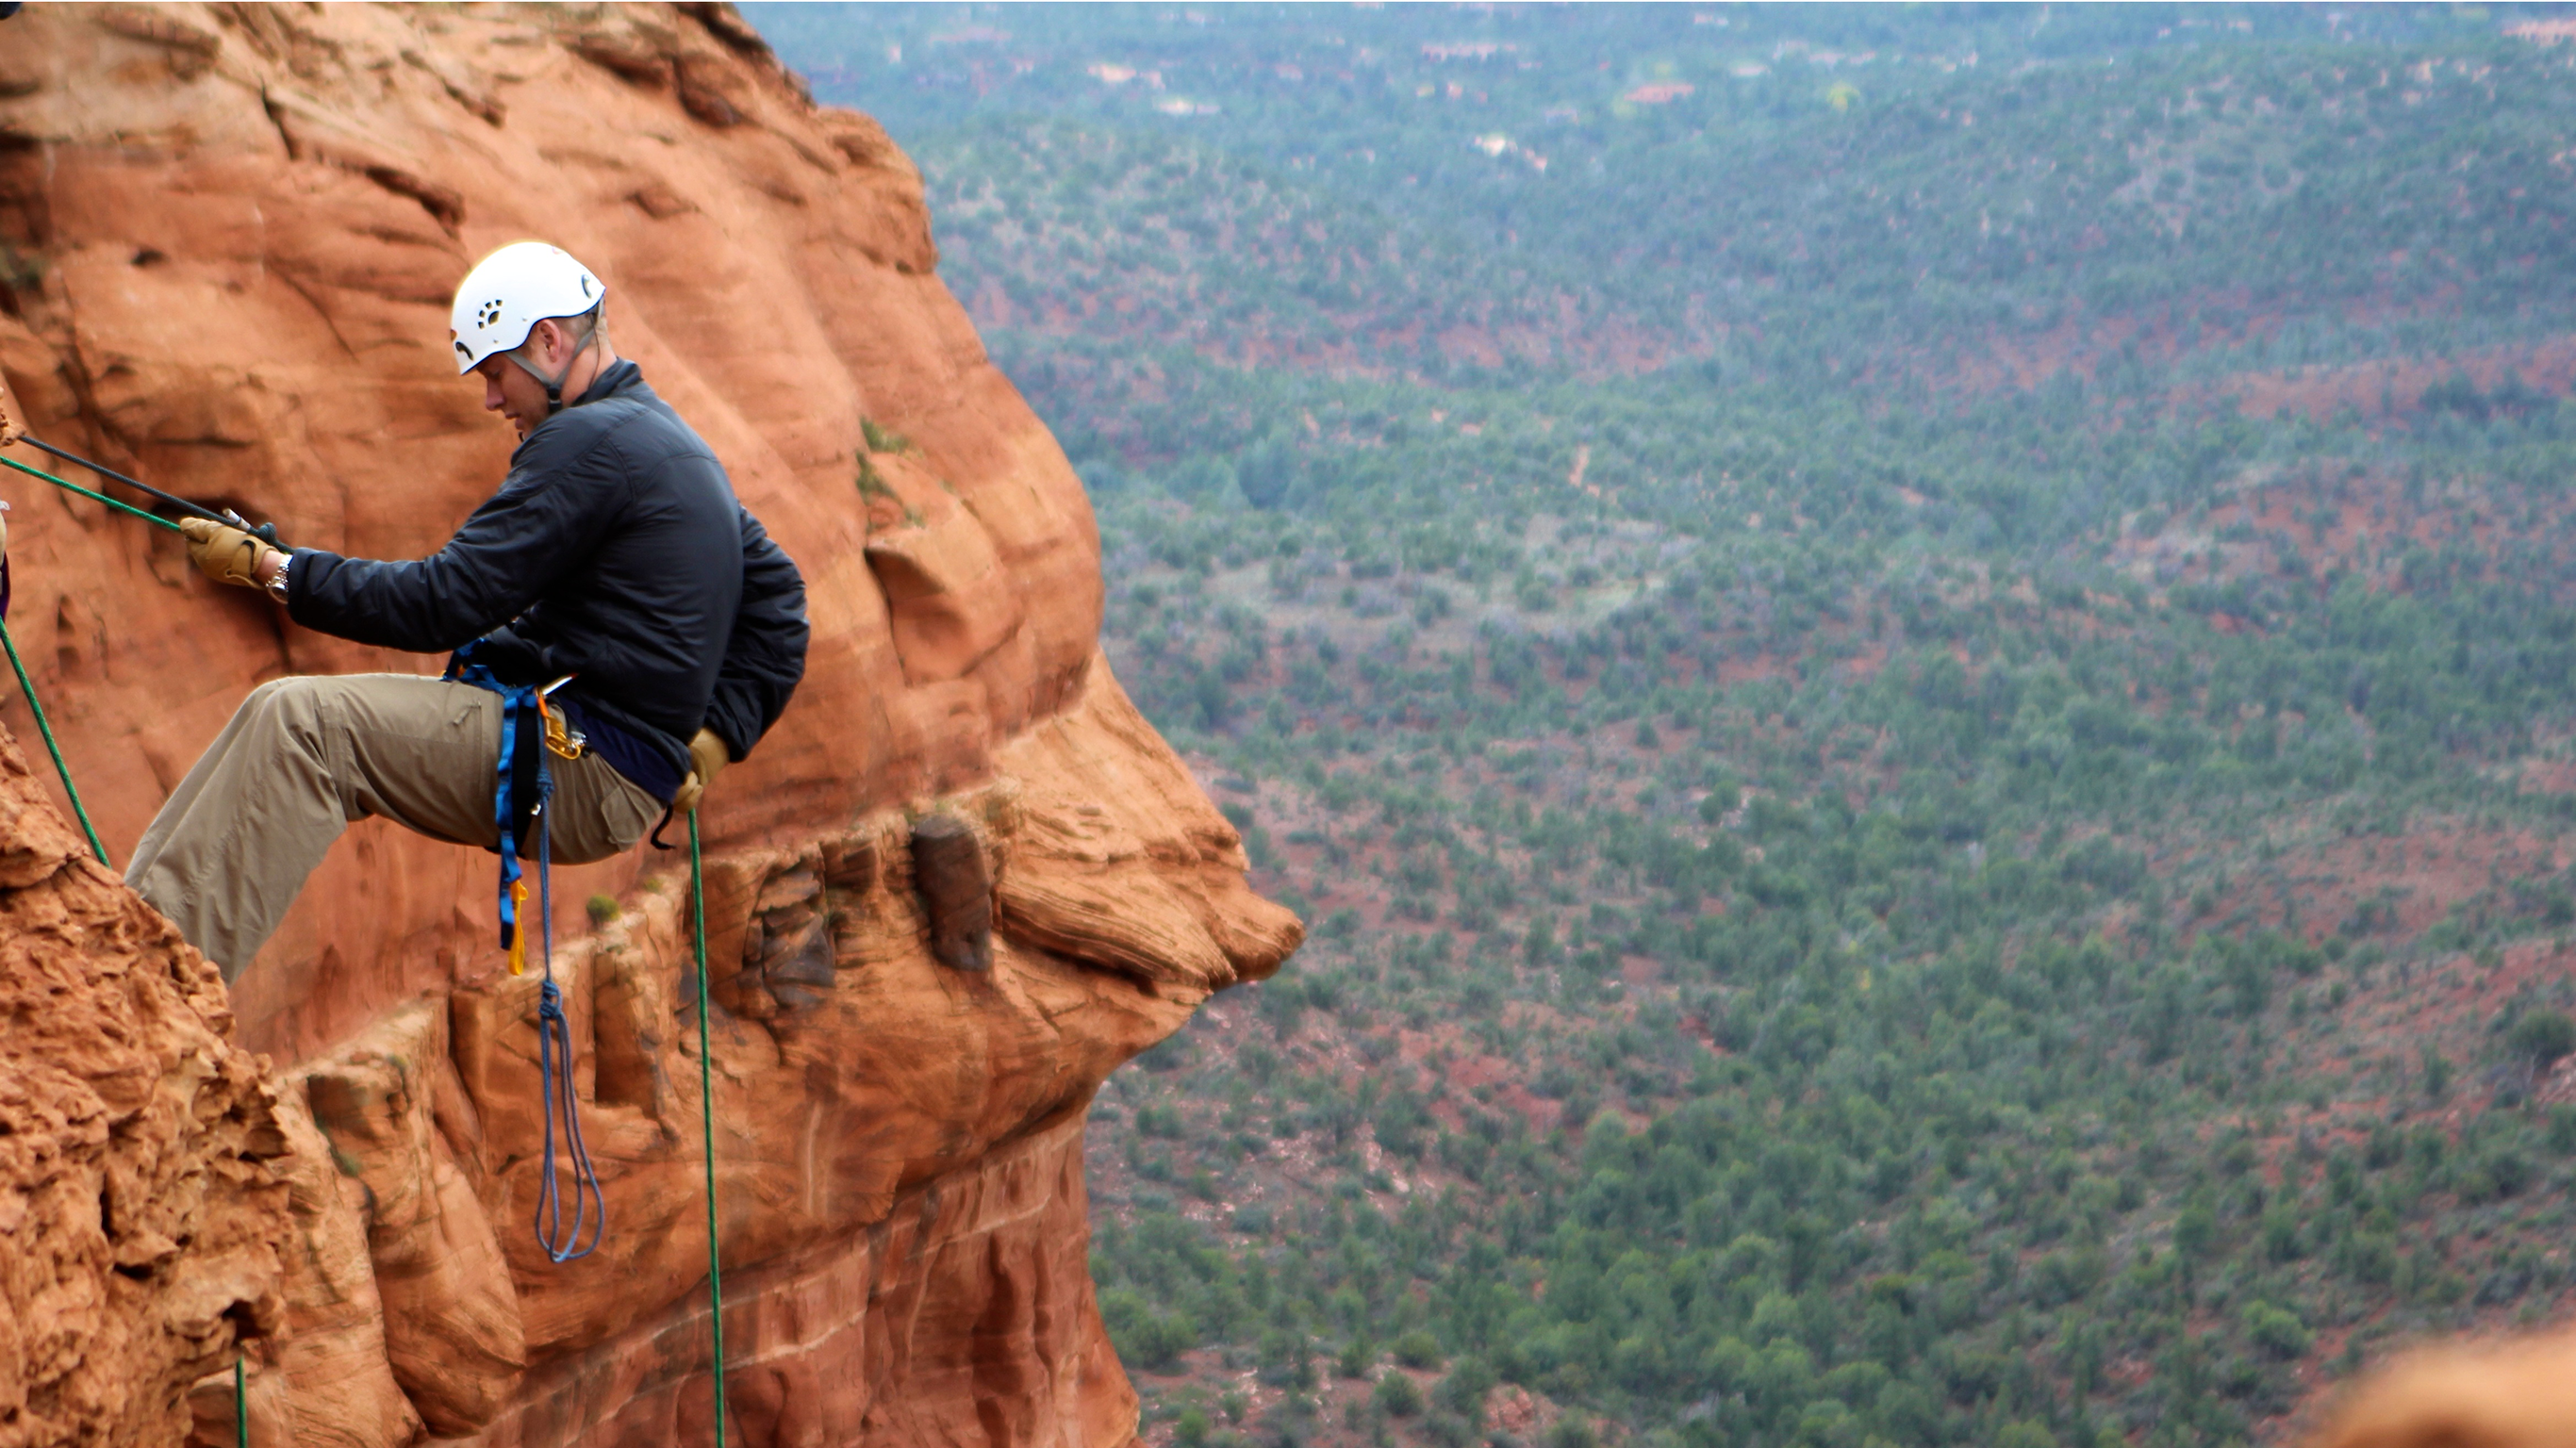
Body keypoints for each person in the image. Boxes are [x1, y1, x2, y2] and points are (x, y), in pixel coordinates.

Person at [128, 241, 808, 979]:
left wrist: (275, 569)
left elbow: (438, 604)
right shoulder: (672, 443)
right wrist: (712, 738)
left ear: (548, 340)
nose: (490, 400)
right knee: (275, 714)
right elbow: (780, 601)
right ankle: (134, 929)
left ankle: (155, 988)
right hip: (604, 760)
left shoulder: (589, 441)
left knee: (304, 728)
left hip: (581, 766)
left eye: (493, 372)